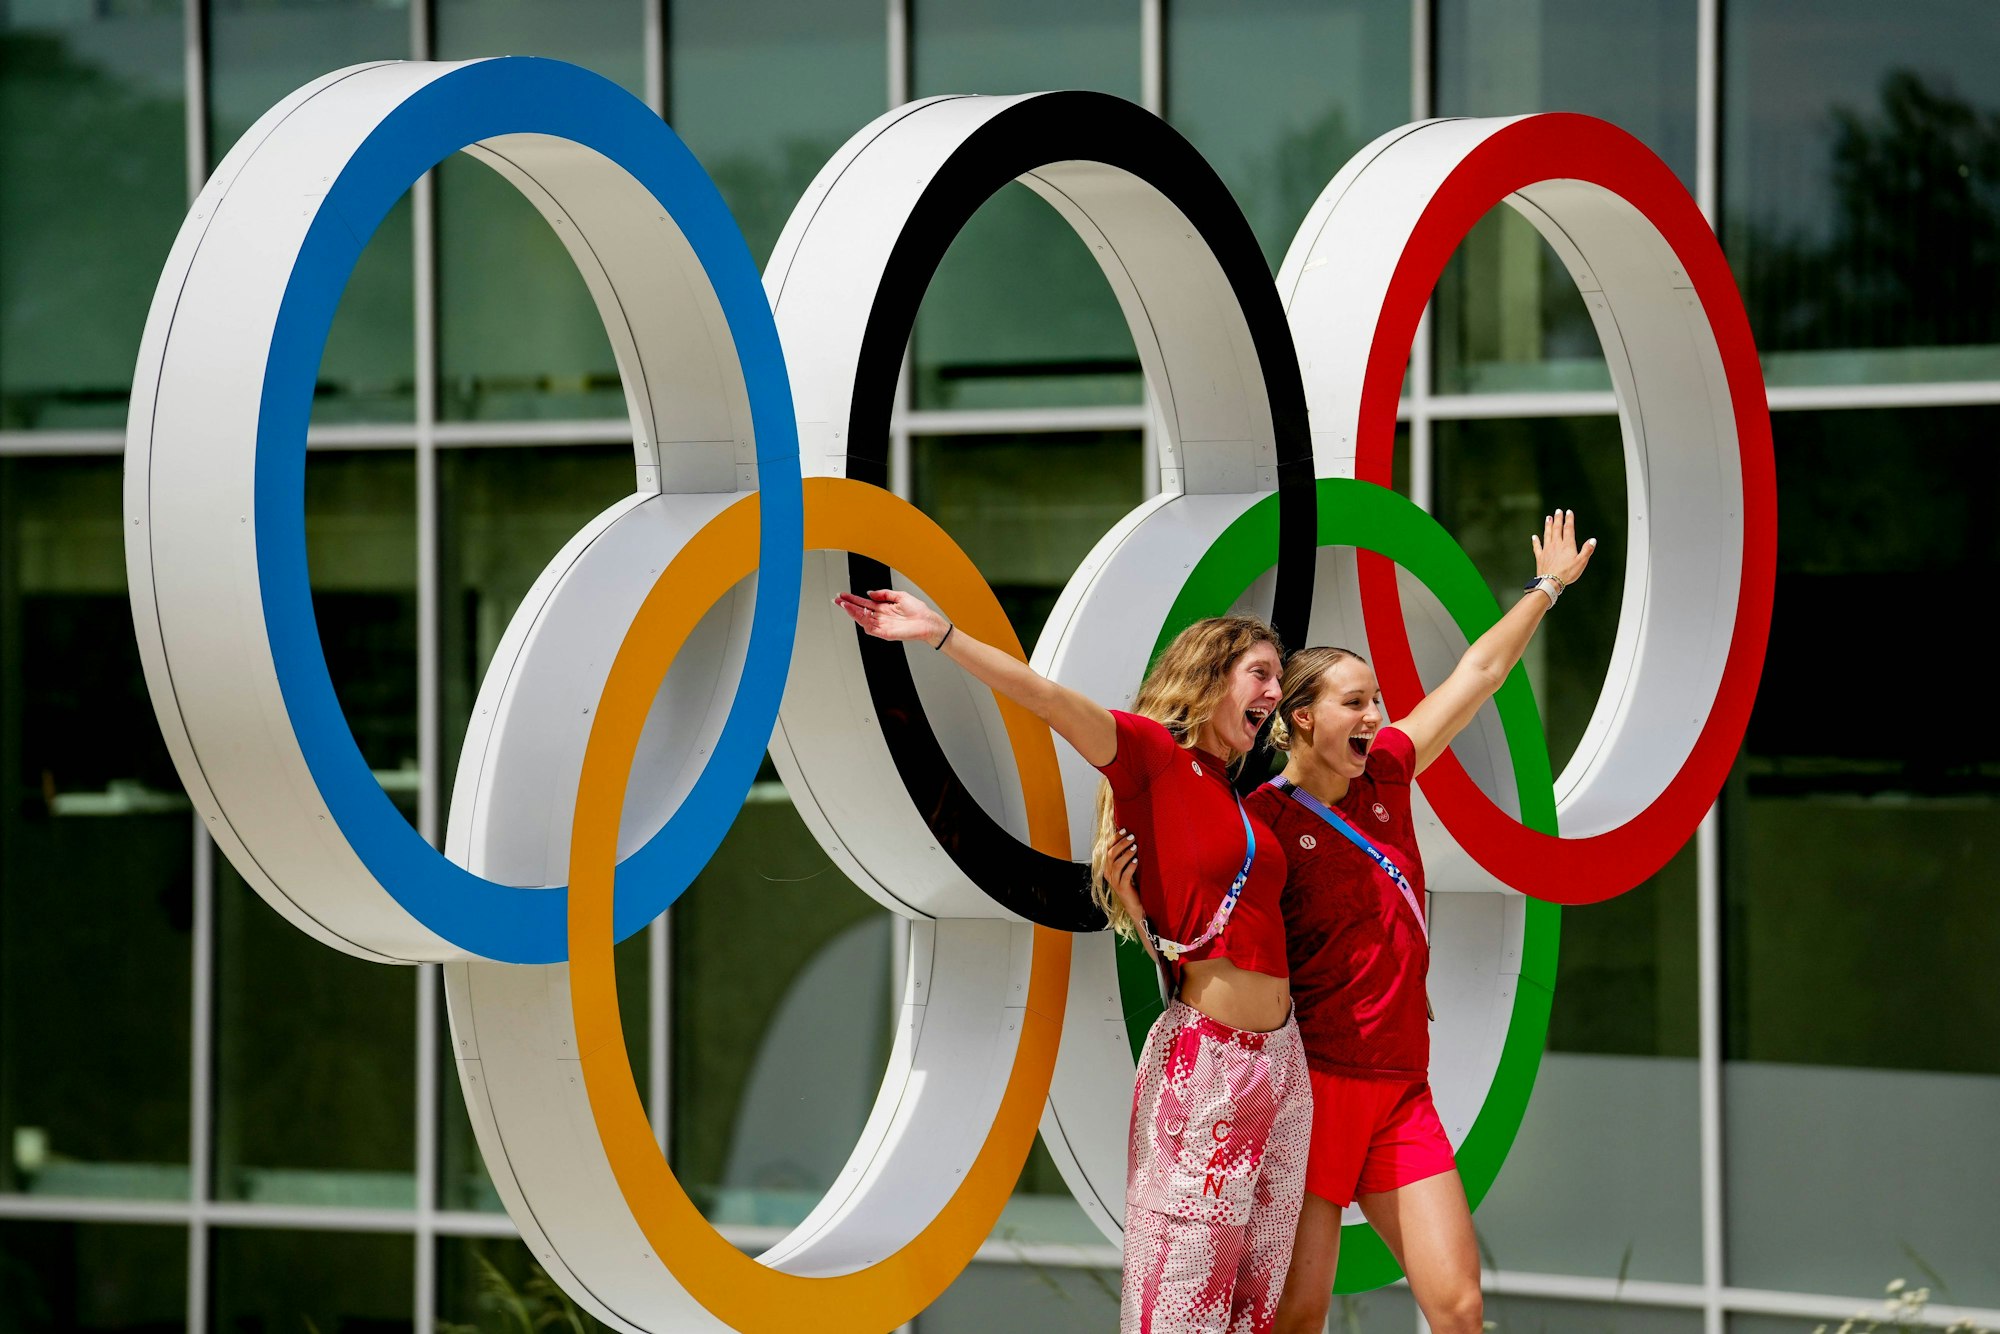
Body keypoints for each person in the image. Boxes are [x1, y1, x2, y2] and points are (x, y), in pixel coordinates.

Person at [1113, 510, 1597, 1334]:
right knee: (1295, 1317)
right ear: (1301, 716)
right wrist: (1141, 914)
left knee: (1460, 1307)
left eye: (1378, 700)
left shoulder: (1391, 776)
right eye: (1356, 700)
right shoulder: (1258, 820)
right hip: (1317, 1086)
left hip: (1404, 1087)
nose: (1378, 714)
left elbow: (1478, 673)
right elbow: (1213, 930)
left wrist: (1546, 589)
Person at [836, 589, 1310, 1334]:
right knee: (1183, 1296)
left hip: (1284, 1064)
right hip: (1212, 1061)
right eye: (1260, 674)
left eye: (1278, 679)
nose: (1275, 693)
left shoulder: (1237, 796)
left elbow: (1200, 936)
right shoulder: (1155, 759)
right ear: (1213, 677)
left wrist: (1147, 914)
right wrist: (942, 634)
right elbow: (1047, 699)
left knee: (1256, 1306)